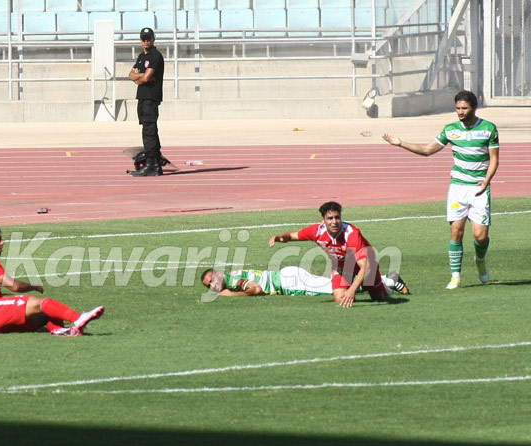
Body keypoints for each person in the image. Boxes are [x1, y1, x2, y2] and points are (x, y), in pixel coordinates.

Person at [382, 90, 499, 290]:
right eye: (458, 108)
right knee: (456, 231)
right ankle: (455, 276)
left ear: (474, 108)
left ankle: (480, 260)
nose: (460, 112)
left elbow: (494, 159)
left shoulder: (488, 129)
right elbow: (427, 150)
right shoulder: (450, 130)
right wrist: (401, 143)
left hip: (479, 188)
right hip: (457, 188)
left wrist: (486, 181)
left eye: (464, 108)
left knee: (480, 236)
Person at [0, 225, 104, 336]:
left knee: (47, 313)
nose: (2, 243)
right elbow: (13, 286)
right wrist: (33, 286)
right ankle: (78, 318)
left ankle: (61, 332)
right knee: (41, 302)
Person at [269, 202, 399, 308]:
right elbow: (292, 235)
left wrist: (352, 290)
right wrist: (280, 237)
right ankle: (367, 285)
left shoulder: (351, 234)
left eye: (337, 217)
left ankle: (386, 285)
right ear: (323, 220)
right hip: (342, 265)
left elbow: (364, 266)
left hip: (366, 263)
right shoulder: (316, 231)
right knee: (340, 299)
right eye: (330, 218)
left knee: (379, 298)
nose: (334, 222)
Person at [201, 266, 408, 297]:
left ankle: (385, 281)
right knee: (330, 287)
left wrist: (231, 295)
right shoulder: (231, 275)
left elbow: (256, 290)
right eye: (209, 286)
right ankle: (382, 285)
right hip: (287, 277)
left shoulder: (232, 280)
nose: (212, 286)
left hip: (286, 280)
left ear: (218, 273)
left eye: (211, 280)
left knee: (333, 290)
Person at [127, 27, 165, 177]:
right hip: (142, 97)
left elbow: (146, 79)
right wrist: (140, 77)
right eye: (143, 38)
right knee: (149, 129)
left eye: (148, 38)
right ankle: (156, 162)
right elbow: (130, 75)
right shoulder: (141, 56)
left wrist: (140, 77)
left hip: (151, 97)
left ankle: (151, 164)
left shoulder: (156, 56)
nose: (146, 41)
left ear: (154, 39)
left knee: (149, 132)